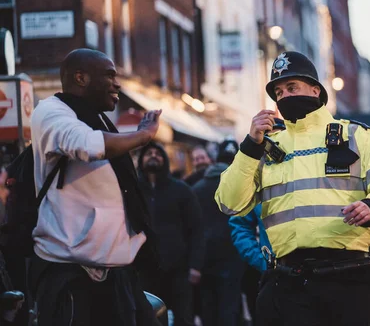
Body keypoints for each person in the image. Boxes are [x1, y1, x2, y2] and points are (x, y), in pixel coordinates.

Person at [215, 51, 370, 326]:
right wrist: (249, 147)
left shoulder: (356, 135)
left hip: (346, 275)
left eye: (292, 87)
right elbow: (228, 203)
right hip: (288, 280)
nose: (284, 97)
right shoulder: (267, 146)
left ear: (315, 90)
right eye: (278, 92)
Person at [29, 48, 159, 325]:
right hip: (71, 272)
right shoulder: (52, 112)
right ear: (81, 78)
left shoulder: (95, 116)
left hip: (116, 271)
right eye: (109, 76)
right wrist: (142, 136)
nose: (118, 84)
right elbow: (88, 145)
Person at [138, 142, 204, 326]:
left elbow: (196, 229)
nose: (153, 156)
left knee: (183, 318)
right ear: (141, 159)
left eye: (157, 153)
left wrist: (195, 265)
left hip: (178, 269)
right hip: (143, 268)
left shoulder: (181, 190)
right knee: (146, 317)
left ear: (165, 159)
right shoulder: (133, 190)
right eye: (148, 153)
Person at [193, 139, 245, 326]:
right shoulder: (239, 185)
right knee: (229, 307)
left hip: (205, 257)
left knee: (209, 308)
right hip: (233, 254)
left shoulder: (197, 188)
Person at [229, 203, 272, 325]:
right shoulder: (258, 185)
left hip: (324, 273)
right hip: (274, 275)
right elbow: (240, 225)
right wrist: (262, 262)